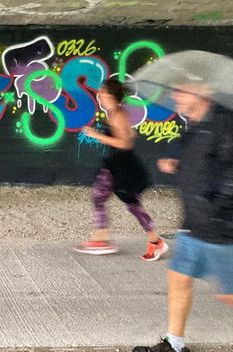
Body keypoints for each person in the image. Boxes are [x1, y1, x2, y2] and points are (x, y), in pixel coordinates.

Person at [133, 83, 233, 352]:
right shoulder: (196, 124)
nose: (175, 96)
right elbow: (202, 166)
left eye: (181, 91)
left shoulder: (224, 125)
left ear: (203, 93)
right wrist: (177, 165)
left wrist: (216, 208)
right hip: (194, 222)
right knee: (178, 277)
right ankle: (174, 344)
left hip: (220, 226)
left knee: (230, 294)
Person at [74, 78, 168, 261]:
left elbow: (125, 143)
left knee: (124, 203)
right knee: (104, 197)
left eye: (102, 92)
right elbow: (129, 135)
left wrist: (98, 136)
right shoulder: (114, 112)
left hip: (122, 166)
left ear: (111, 96)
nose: (99, 95)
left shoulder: (118, 114)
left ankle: (152, 242)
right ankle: (102, 237)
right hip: (116, 165)